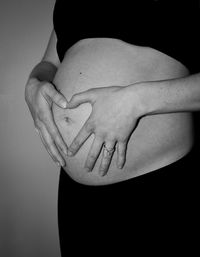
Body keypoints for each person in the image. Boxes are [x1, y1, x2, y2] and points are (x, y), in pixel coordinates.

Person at [25, 0, 199, 255]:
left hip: (160, 182)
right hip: (76, 193)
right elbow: (50, 63)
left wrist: (137, 100)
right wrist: (33, 83)